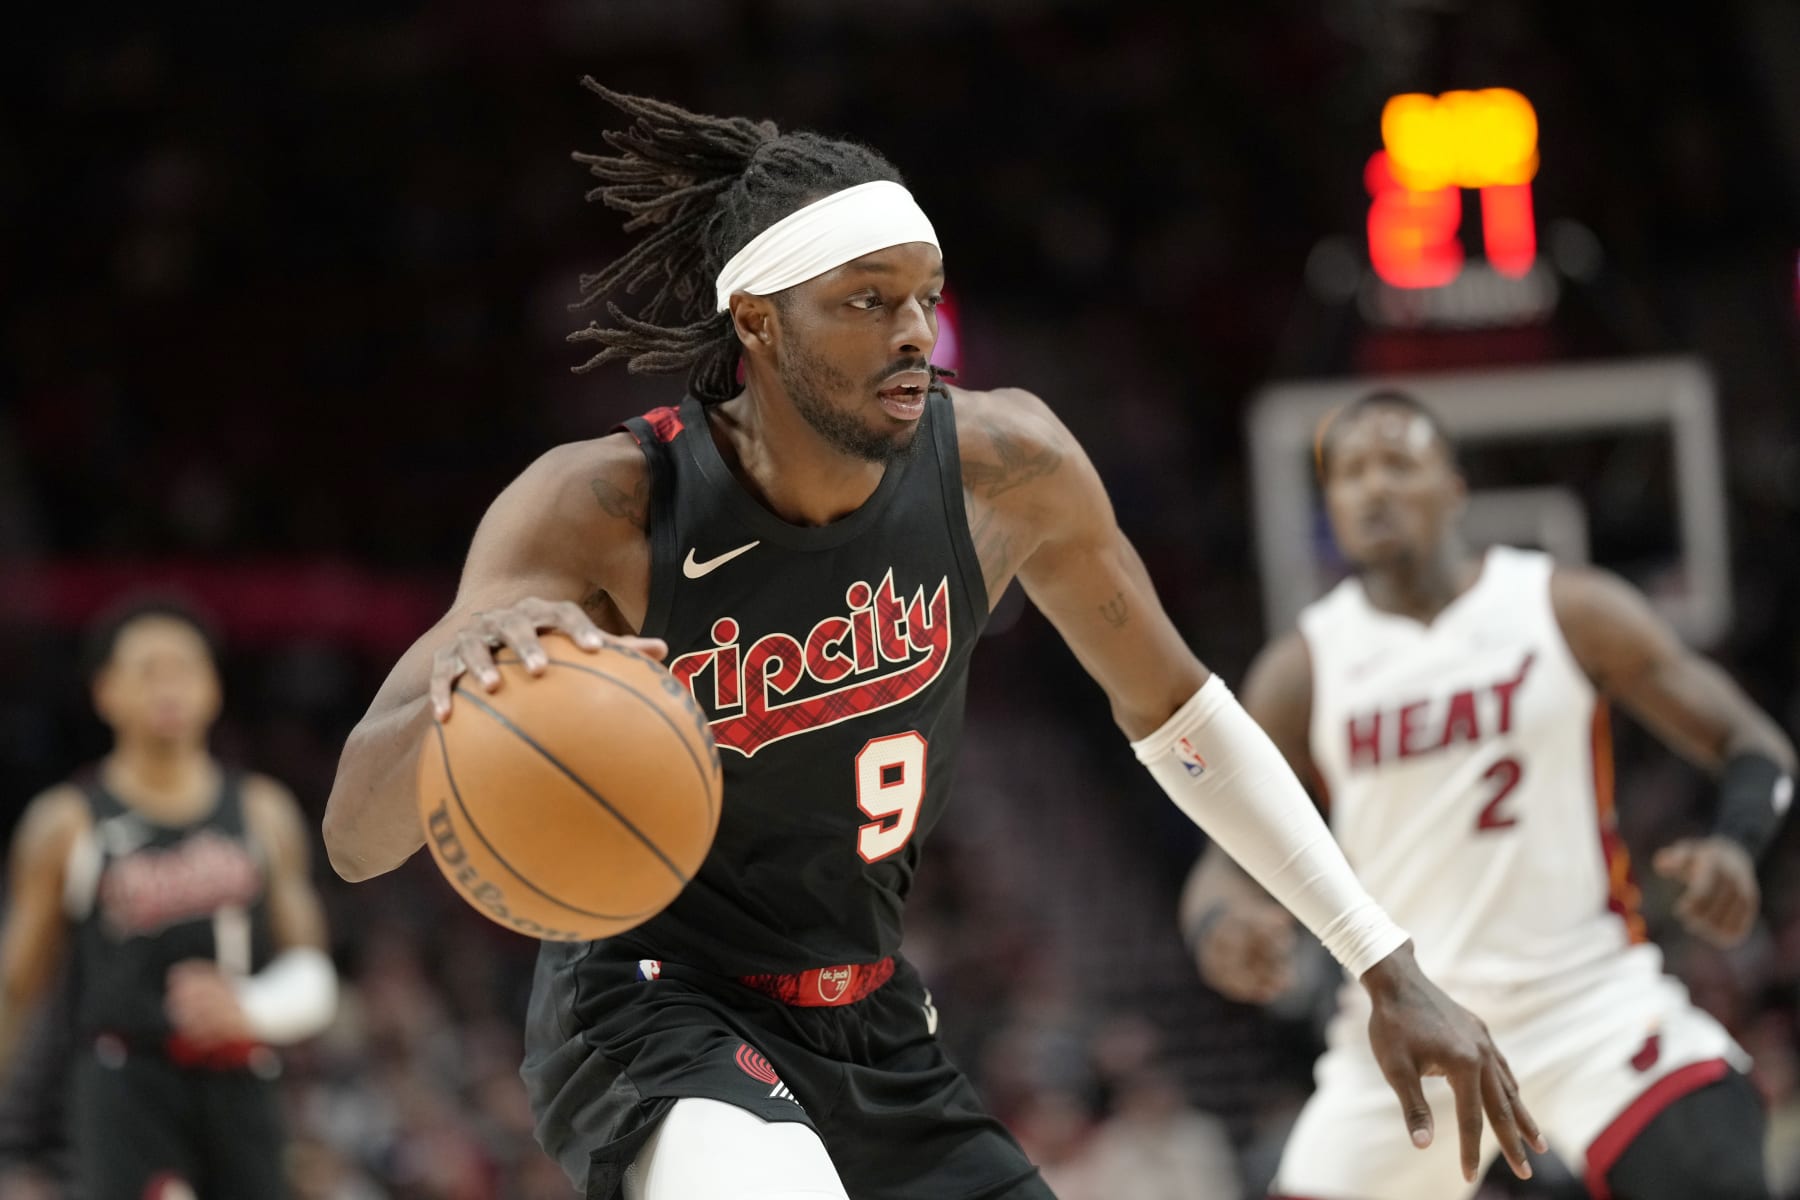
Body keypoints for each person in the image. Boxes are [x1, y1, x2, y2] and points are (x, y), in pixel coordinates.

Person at [322, 85, 1545, 1200]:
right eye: (868, 302)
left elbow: (1182, 718)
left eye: (925, 295)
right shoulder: (599, 505)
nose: (915, 331)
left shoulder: (1008, 466)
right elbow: (356, 837)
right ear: (756, 319)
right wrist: (465, 674)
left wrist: (1384, 963)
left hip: (873, 1015)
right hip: (651, 1009)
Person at [1181, 389, 1795, 1200]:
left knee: (1716, 1160)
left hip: (1583, 1002)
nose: (1372, 487)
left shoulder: (1566, 608)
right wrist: (1221, 929)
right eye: (1350, 472)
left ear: (1456, 486)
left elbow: (1754, 744)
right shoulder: (1302, 669)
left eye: (1398, 462)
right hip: (1403, 1029)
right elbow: (1221, 864)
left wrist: (1735, 843)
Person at [0, 599, 339, 1199]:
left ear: (213, 687)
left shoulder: (264, 811)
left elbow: (313, 971)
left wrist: (254, 1007)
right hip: (123, 1079)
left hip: (241, 1069)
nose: (168, 686)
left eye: (184, 668)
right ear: (105, 691)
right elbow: (16, 987)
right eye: (147, 670)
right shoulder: (65, 822)